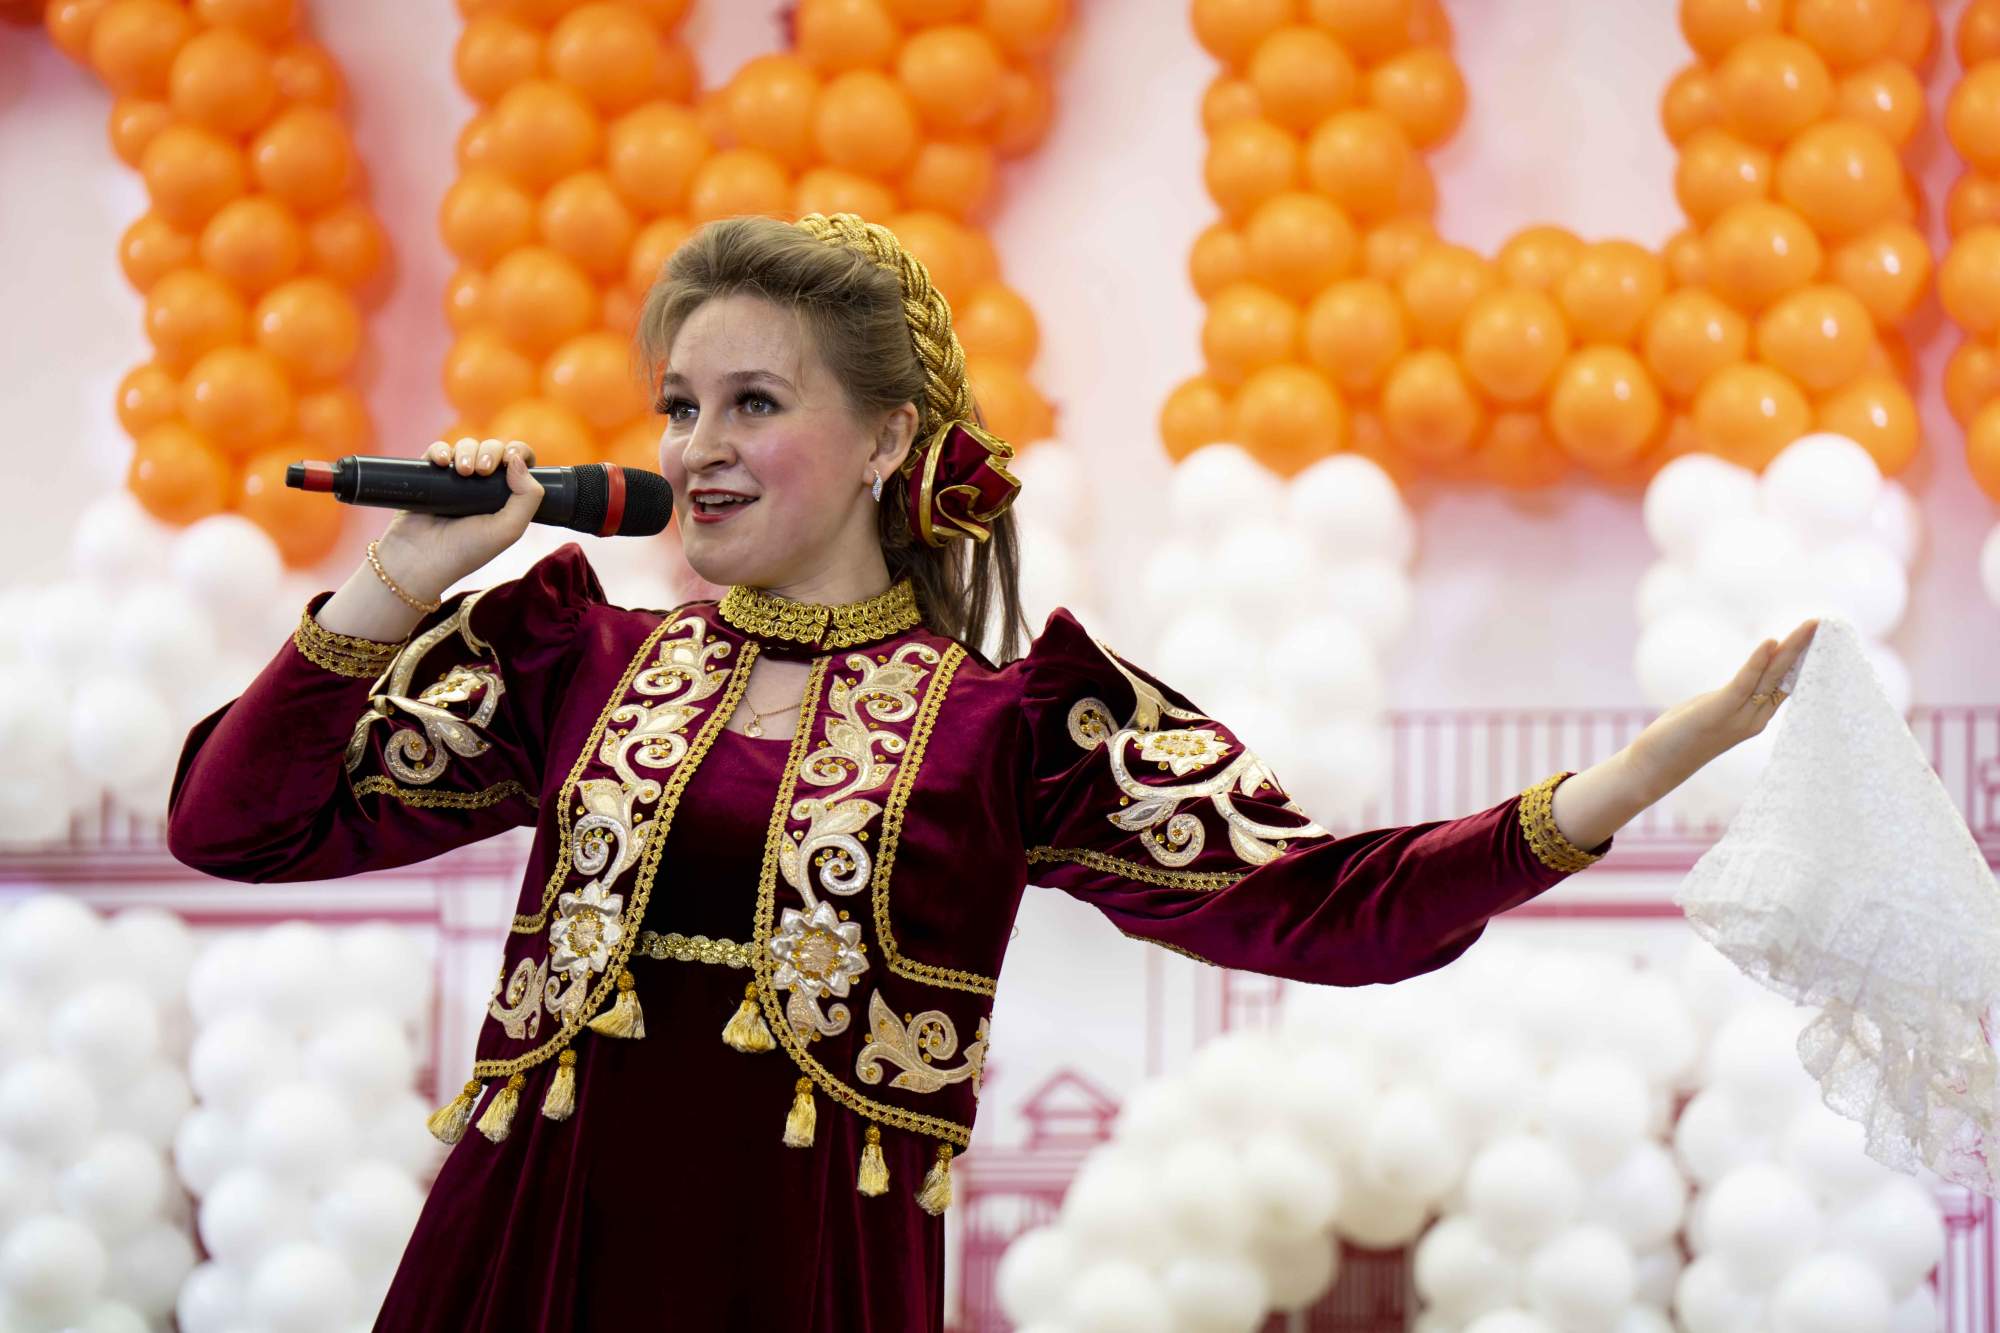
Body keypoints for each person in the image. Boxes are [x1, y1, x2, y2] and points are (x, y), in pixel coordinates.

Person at [165, 212, 1817, 1331]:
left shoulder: (1012, 728)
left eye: (753, 401)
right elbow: (232, 824)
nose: (695, 447)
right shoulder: (569, 660)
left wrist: (1629, 778)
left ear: (888, 439)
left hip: (803, 1285)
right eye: (678, 405)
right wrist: (405, 573)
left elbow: (1328, 908)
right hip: (520, 1269)